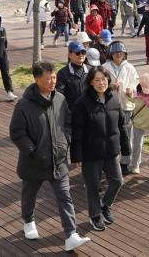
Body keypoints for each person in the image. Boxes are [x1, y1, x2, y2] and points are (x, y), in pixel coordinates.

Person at [8, 62, 91, 251]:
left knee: (65, 196)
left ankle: (71, 234)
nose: (53, 81)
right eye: (48, 78)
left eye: (54, 77)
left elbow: (67, 123)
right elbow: (16, 132)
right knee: (29, 195)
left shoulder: (60, 99)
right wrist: (32, 151)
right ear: (37, 80)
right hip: (34, 162)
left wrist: (65, 141)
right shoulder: (24, 105)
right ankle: (28, 221)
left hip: (58, 160)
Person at [70, 66, 130, 232]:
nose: (101, 83)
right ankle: (94, 215)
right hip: (91, 153)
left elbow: (121, 125)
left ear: (108, 80)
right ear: (90, 82)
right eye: (97, 80)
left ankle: (105, 205)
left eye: (104, 79)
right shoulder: (82, 103)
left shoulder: (114, 99)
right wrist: (76, 156)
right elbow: (77, 131)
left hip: (111, 151)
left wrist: (126, 147)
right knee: (93, 186)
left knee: (117, 181)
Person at [102, 41, 139, 175]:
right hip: (109, 106)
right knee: (110, 135)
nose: (118, 54)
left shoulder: (130, 68)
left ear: (124, 54)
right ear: (111, 54)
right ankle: (112, 162)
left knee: (127, 136)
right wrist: (109, 87)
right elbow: (98, 84)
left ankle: (125, 162)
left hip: (127, 106)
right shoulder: (104, 67)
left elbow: (137, 85)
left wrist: (131, 91)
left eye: (121, 52)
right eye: (116, 52)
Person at [56, 41, 90, 110]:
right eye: (77, 53)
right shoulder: (62, 73)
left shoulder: (91, 70)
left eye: (83, 52)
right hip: (72, 112)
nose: (81, 55)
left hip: (90, 111)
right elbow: (59, 95)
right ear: (69, 55)